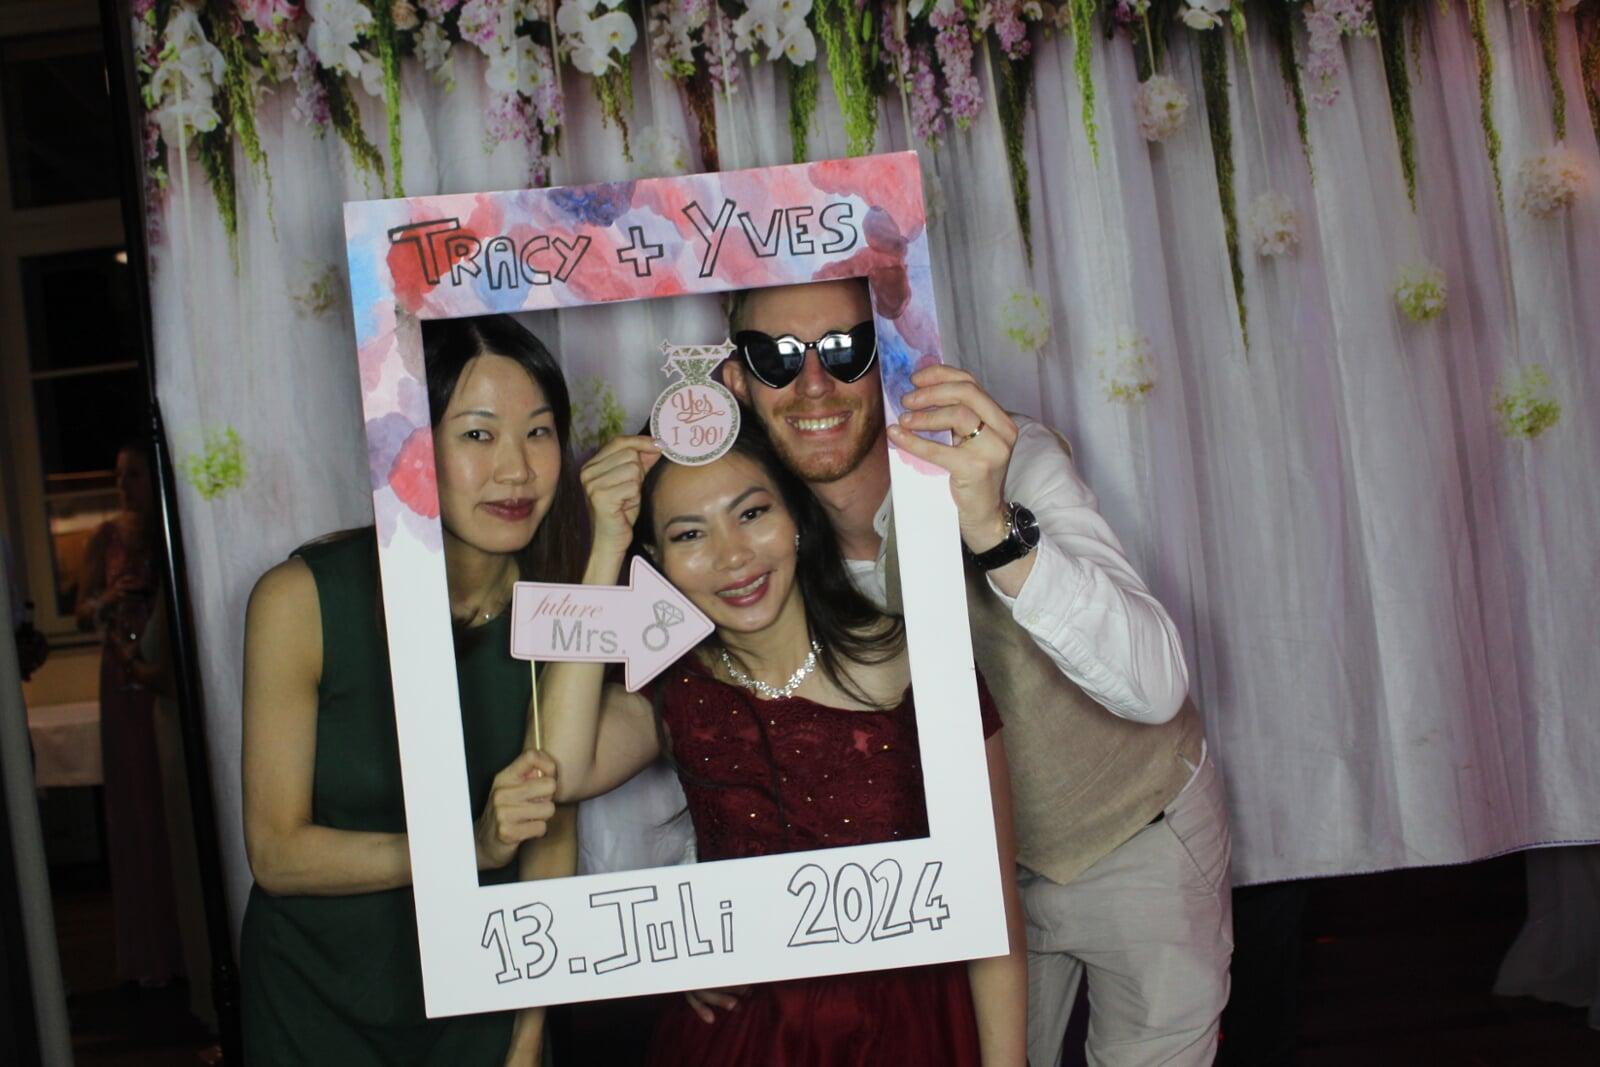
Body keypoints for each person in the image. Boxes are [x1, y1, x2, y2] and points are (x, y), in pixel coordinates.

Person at [719, 278, 1233, 1067]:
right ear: (737, 379)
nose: (814, 382)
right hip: (965, 889)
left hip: (1138, 837)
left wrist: (994, 527)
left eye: (846, 349)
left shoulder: (1007, 456)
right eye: (778, 356)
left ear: (892, 356)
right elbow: (728, 730)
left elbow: (1156, 685)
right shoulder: (747, 535)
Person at [541, 412, 1028, 1066]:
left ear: (796, 515)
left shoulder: (920, 662)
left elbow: (992, 910)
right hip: (740, 1038)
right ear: (655, 558)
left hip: (913, 1029)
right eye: (689, 534)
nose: (732, 556)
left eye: (751, 513)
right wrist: (605, 546)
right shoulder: (679, 692)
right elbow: (562, 769)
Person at [239, 315, 583, 1065]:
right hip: (314, 1007)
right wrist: (468, 849)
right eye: (478, 434)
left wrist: (529, 1033)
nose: (517, 470)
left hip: (482, 1005)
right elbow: (276, 853)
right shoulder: (301, 602)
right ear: (411, 449)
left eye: (539, 432)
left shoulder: (561, 612)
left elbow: (552, 832)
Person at [76, 440, 184, 988]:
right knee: (134, 804)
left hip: (163, 676)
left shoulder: (168, 530)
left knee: (169, 803)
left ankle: (183, 946)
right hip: (122, 679)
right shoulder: (106, 537)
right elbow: (80, 609)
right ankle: (147, 954)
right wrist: (108, 602)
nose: (124, 486)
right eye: (119, 476)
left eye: (134, 474)